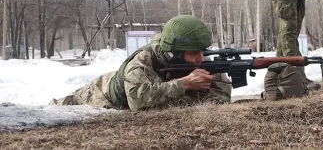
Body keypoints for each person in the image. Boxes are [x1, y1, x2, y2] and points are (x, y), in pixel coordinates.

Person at [49, 15, 232, 111]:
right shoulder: (142, 60)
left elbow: (221, 94)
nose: (200, 58)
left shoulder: (196, 58)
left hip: (134, 86)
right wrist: (184, 84)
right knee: (61, 105)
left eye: (202, 51)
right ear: (173, 52)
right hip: (99, 93)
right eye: (194, 53)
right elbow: (138, 101)